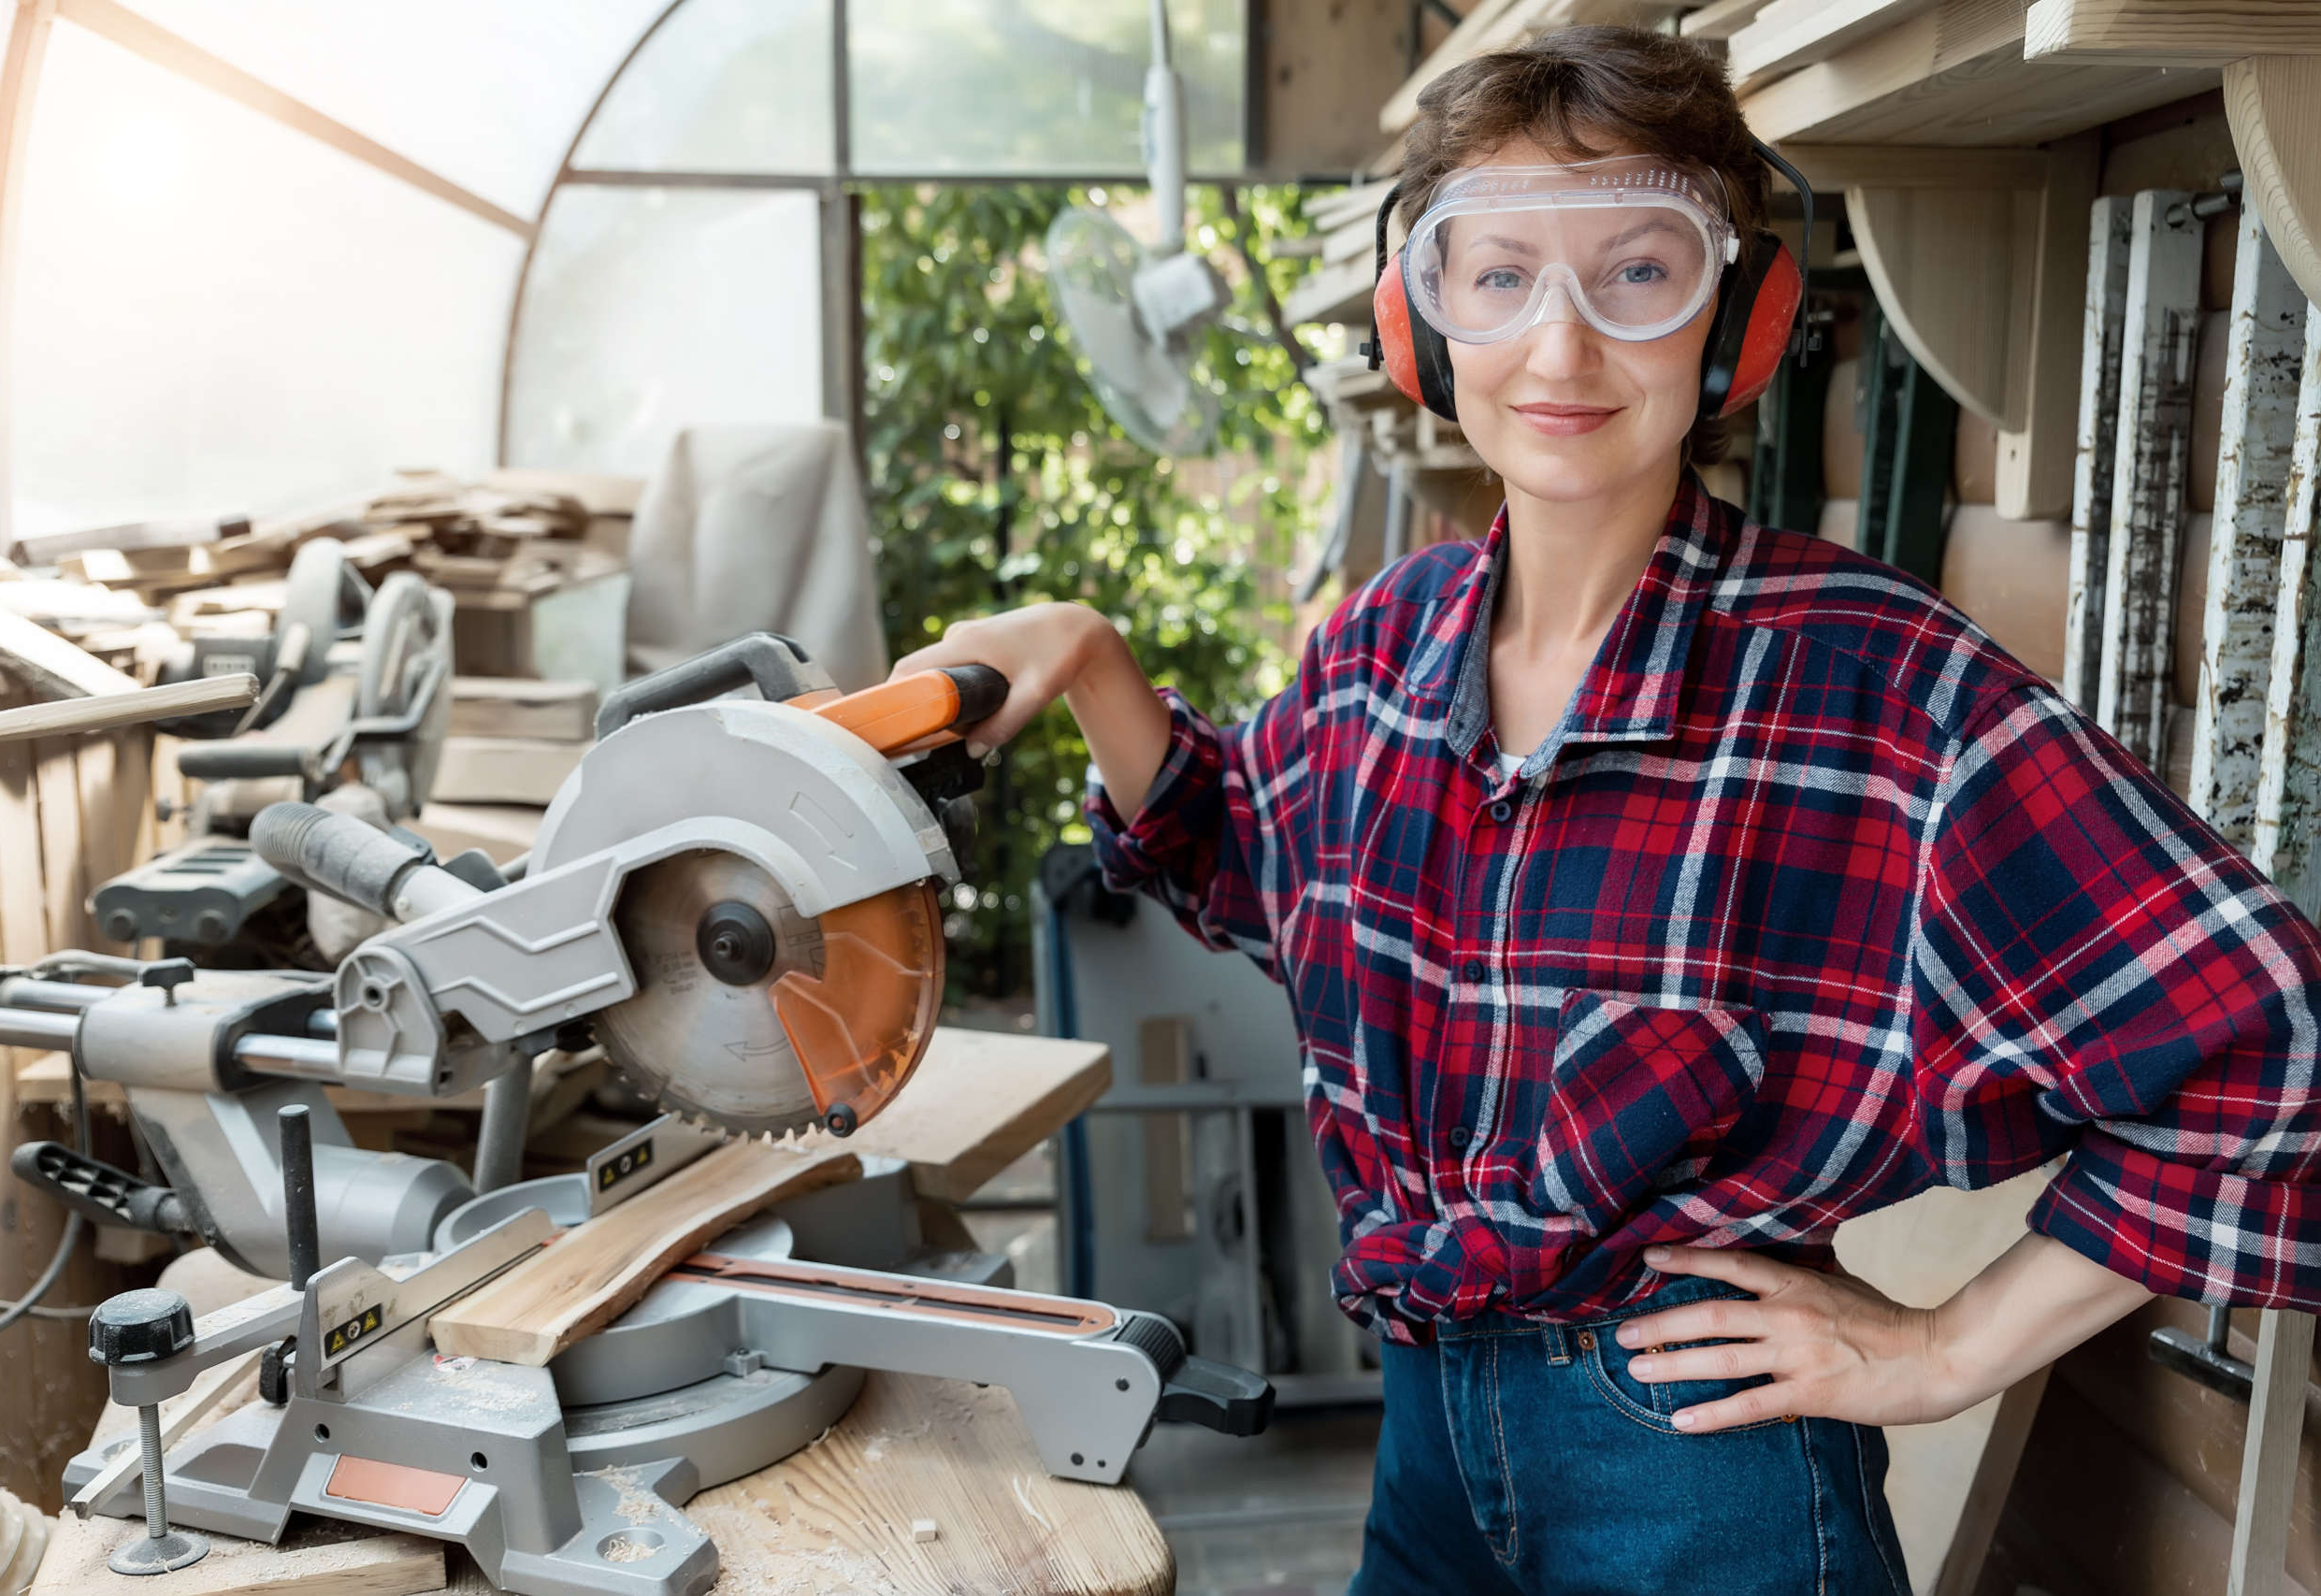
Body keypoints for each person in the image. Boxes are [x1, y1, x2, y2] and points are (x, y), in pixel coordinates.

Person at [892, 25, 2321, 1594]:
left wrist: (1945, 1348)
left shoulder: (1875, 687)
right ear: (1418, 321)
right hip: (1428, 1437)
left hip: (1699, 1469)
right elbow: (1261, 862)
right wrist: (1094, 662)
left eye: (1636, 273)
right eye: (1497, 274)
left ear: (1741, 320)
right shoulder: (1387, 641)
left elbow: (2270, 1038)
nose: (1559, 350)